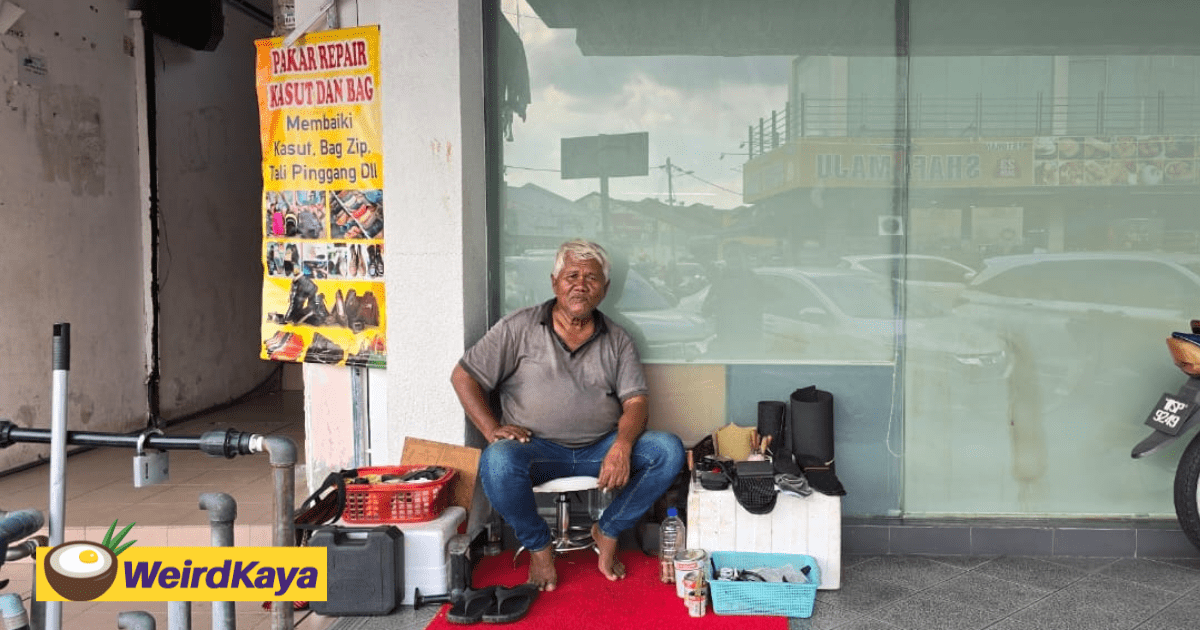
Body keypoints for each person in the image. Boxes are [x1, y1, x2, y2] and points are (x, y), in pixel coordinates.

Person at [451, 239, 684, 591]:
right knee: (497, 461)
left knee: (667, 450)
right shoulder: (518, 327)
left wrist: (622, 445)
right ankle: (539, 547)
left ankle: (608, 530)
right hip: (537, 451)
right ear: (554, 282)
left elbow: (636, 402)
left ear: (605, 289)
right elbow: (463, 376)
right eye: (571, 275)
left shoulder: (618, 339)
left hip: (600, 451)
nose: (580, 285)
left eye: (591, 278)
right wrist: (491, 429)